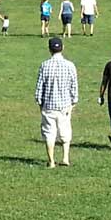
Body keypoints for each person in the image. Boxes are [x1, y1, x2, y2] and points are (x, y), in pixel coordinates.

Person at [35, 37, 78, 168]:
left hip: (48, 105)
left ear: (49, 49)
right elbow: (74, 86)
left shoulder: (44, 65)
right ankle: (65, 158)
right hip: (65, 105)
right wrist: (74, 102)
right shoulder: (70, 65)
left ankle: (51, 161)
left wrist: (39, 102)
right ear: (62, 48)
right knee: (65, 131)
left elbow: (39, 87)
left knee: (49, 133)